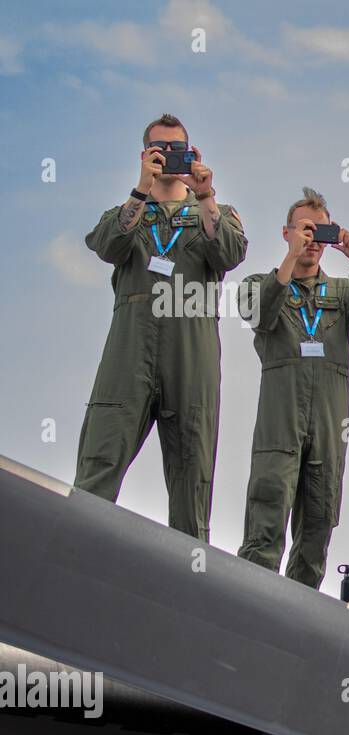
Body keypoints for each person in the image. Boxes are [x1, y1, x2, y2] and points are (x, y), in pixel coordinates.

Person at [76, 114, 247, 540]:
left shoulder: (218, 212)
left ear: (193, 154)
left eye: (177, 149)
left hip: (191, 348)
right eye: (159, 148)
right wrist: (141, 189)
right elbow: (107, 245)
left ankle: (188, 586)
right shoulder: (127, 213)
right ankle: (73, 559)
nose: (168, 156)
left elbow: (229, 253)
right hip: (130, 348)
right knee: (100, 462)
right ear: (144, 155)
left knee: (193, 479)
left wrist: (206, 195)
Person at [236, 188, 349, 589]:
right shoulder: (260, 284)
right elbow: (259, 315)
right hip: (280, 424)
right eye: (304, 230)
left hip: (328, 426)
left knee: (318, 525)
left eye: (319, 233)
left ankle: (298, 617)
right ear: (286, 233)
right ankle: (251, 606)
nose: (311, 241)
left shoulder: (343, 291)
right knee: (267, 517)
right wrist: (290, 260)